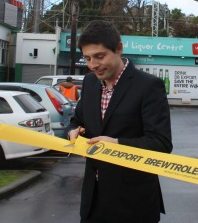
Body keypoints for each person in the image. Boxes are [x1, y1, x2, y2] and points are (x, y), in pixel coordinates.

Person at [66, 20, 173, 223]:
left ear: (119, 49)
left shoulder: (149, 86)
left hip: (133, 205)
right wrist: (73, 131)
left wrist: (116, 144)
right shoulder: (89, 82)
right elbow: (76, 120)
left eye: (99, 56)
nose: (93, 65)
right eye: (87, 58)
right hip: (92, 202)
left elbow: (161, 143)